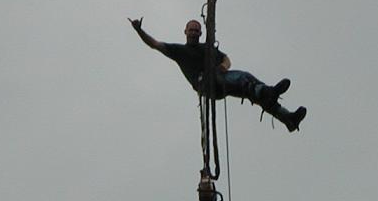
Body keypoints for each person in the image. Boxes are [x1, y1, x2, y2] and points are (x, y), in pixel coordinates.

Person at [128, 16, 307, 132]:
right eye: (191, 30)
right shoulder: (179, 51)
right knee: (242, 80)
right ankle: (266, 92)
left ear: (200, 33)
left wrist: (223, 65)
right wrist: (139, 30)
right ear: (185, 32)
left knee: (249, 82)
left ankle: (287, 118)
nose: (193, 32)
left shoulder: (207, 48)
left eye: (196, 30)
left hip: (220, 80)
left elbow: (226, 58)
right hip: (206, 84)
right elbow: (154, 44)